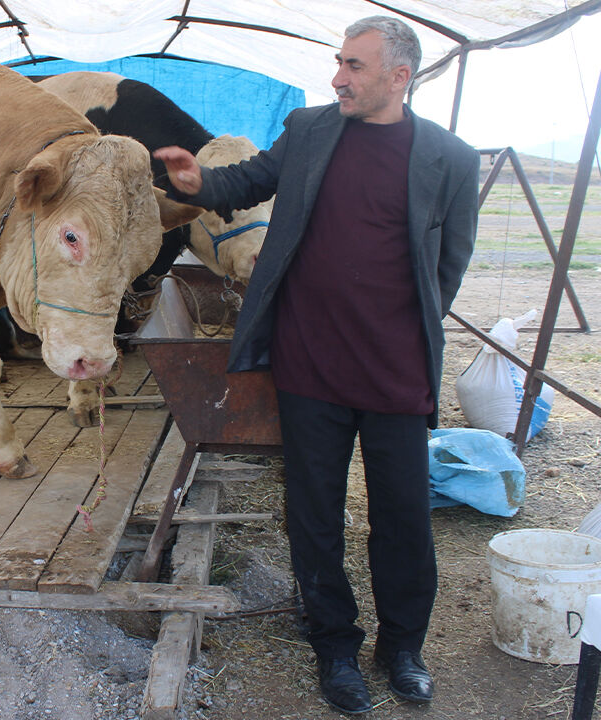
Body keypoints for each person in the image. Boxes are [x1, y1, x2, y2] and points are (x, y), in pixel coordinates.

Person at [155, 15, 479, 716]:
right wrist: (197, 182)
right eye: (339, 62)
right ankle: (334, 644)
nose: (339, 77)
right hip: (309, 366)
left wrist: (399, 327)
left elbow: (447, 268)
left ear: (400, 76)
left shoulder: (450, 158)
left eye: (356, 66)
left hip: (396, 373)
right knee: (314, 515)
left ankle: (402, 647)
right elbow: (247, 181)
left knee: (401, 517)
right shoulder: (309, 131)